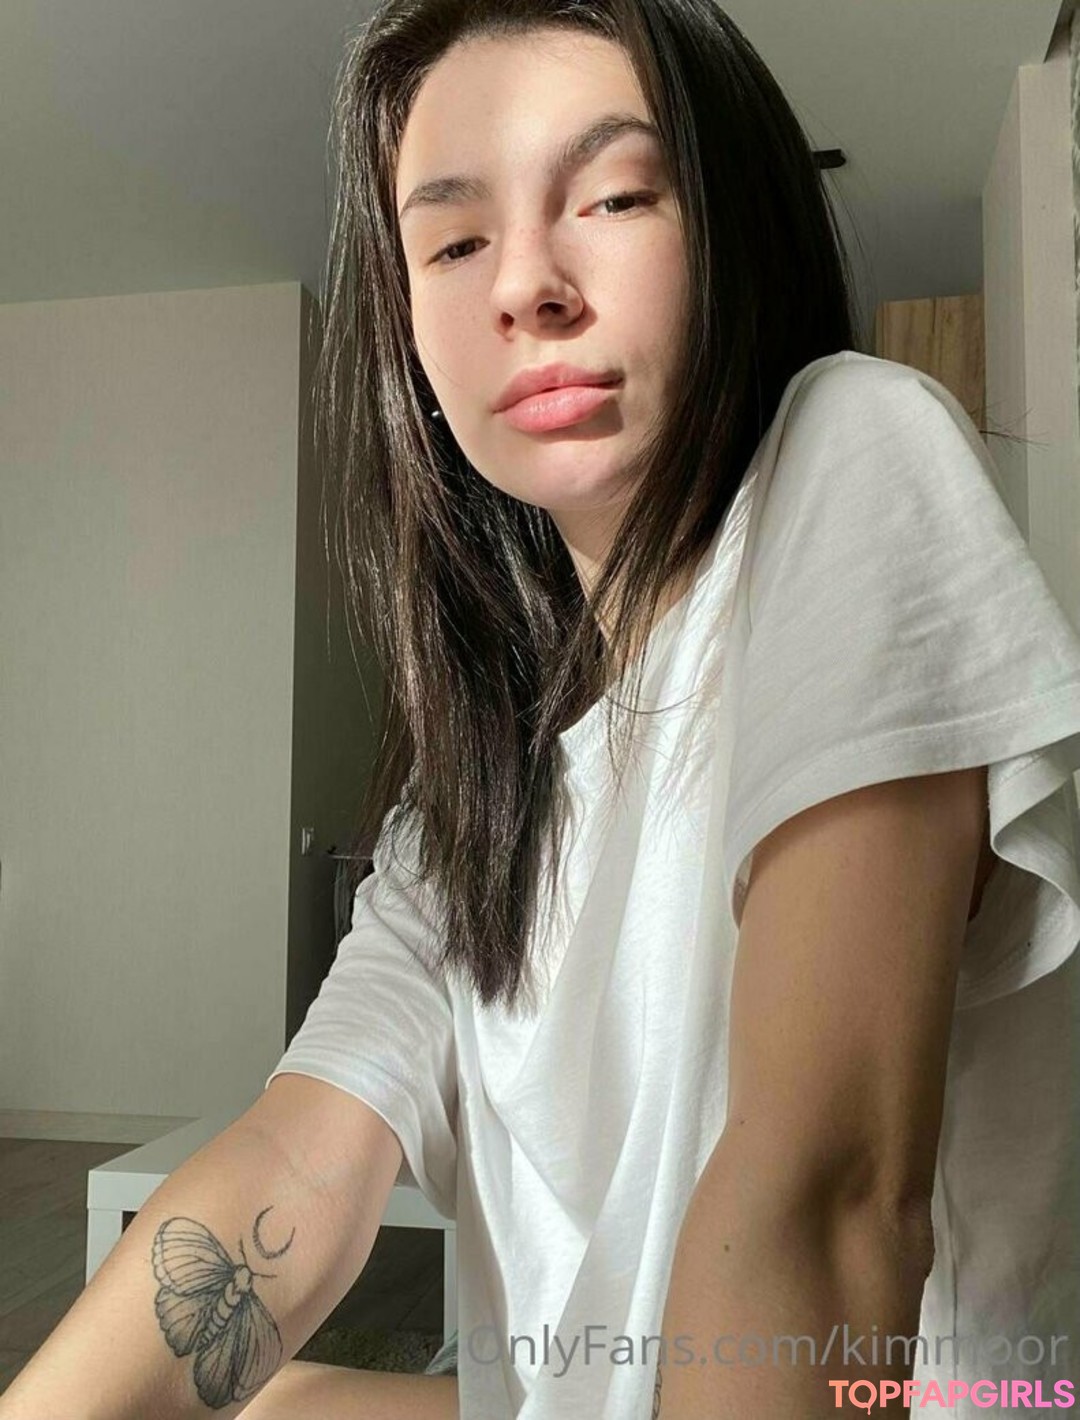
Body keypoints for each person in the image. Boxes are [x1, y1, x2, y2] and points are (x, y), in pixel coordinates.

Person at [4, 1, 1079, 1418]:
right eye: (453, 243)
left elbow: (827, 1205)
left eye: (616, 196)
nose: (525, 286)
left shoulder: (855, 452)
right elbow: (297, 1163)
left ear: (736, 224)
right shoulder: (476, 790)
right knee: (251, 1397)